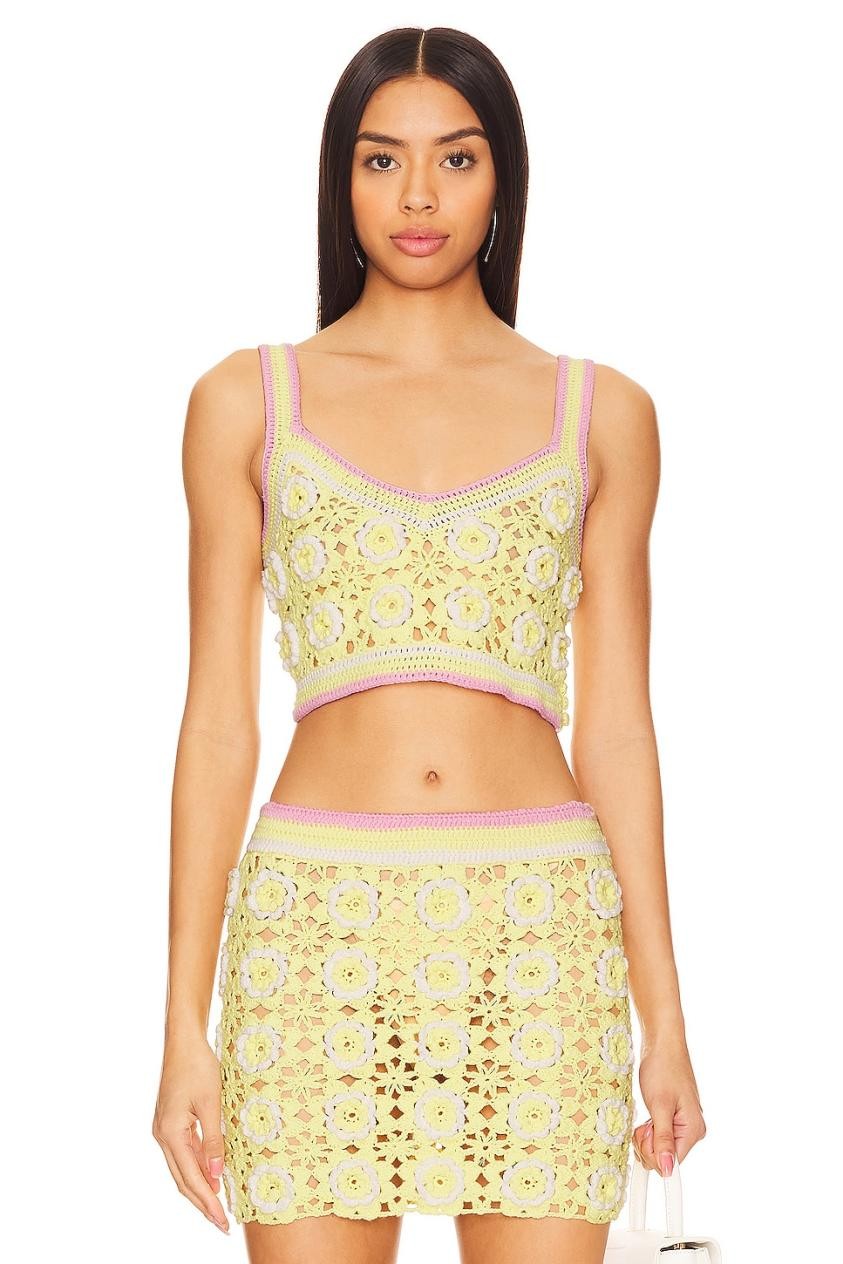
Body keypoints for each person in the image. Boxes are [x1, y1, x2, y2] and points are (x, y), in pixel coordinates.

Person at [152, 25, 706, 1264]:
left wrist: (665, 1018)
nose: (417, 196)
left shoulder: (603, 412)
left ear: (503, 177)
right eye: (380, 159)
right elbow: (219, 723)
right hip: (315, 933)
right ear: (339, 180)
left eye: (455, 158)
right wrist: (183, 1025)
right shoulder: (245, 402)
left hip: (539, 934)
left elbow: (619, 728)